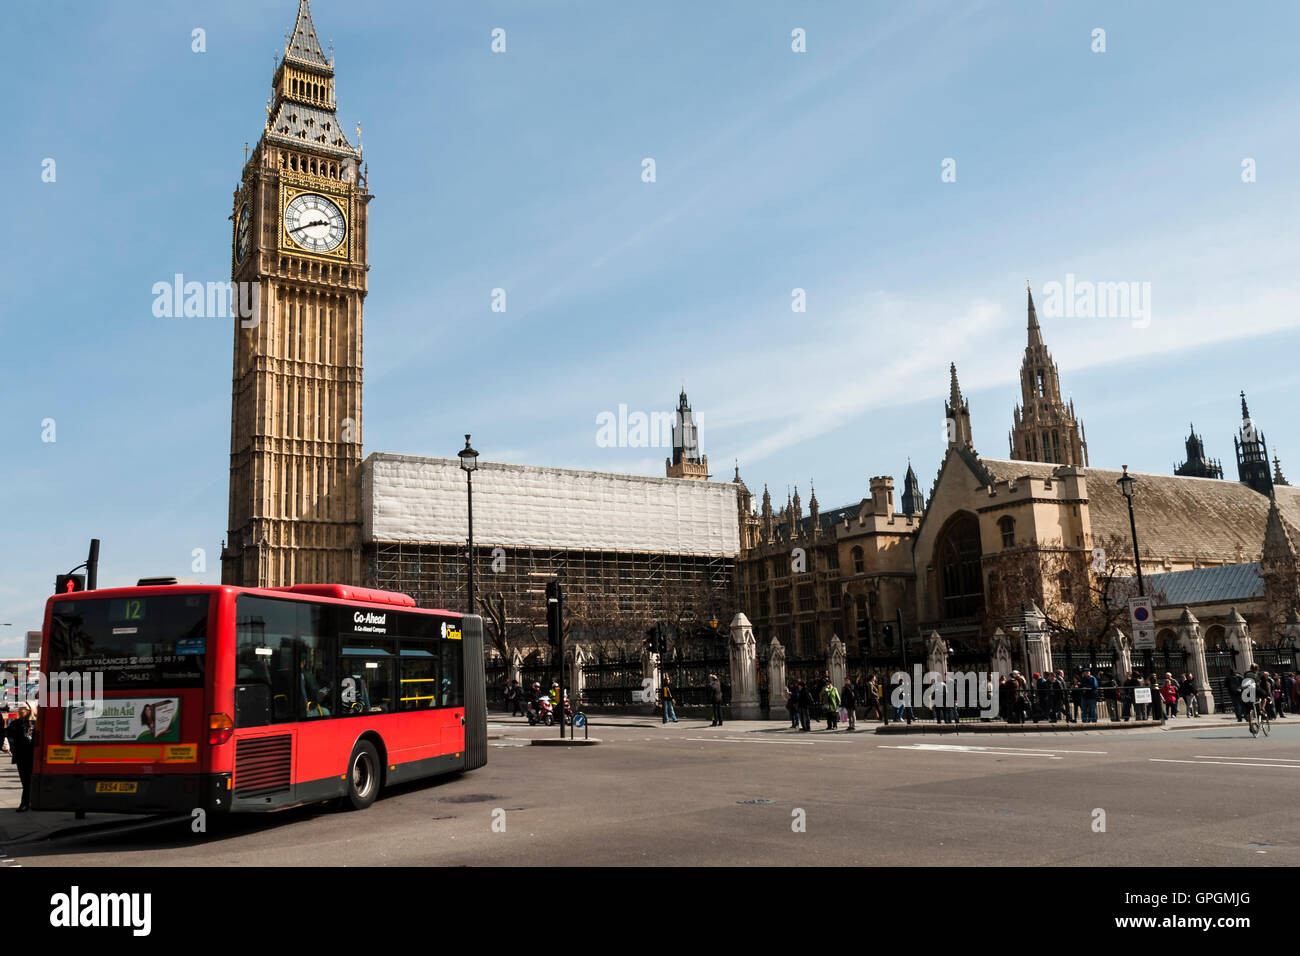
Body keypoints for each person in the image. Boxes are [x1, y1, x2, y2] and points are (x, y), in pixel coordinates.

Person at [5, 702, 37, 811]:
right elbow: (6, 733)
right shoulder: (15, 723)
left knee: (32, 781)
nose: (19, 712)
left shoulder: (36, 723)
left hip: (34, 757)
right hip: (21, 757)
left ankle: (29, 803)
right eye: (19, 710)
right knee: (25, 781)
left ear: (29, 710)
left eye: (21, 710)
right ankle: (25, 803)